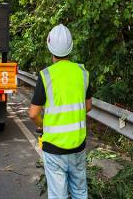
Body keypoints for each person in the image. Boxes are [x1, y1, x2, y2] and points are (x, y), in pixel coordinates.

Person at [29, 24, 92, 199]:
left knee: (58, 195)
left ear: (50, 48)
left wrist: (44, 126)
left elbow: (33, 114)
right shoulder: (82, 72)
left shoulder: (46, 75)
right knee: (80, 192)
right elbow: (88, 106)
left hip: (54, 149)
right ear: (70, 47)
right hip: (78, 146)